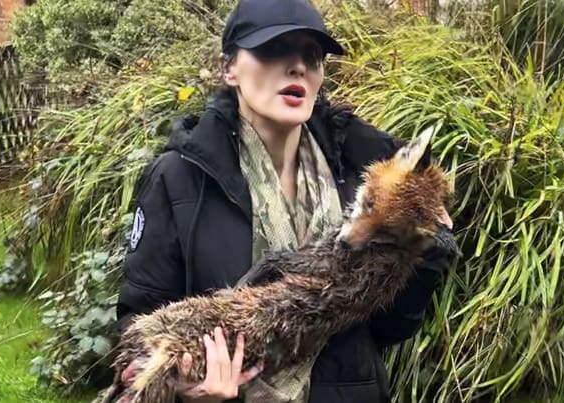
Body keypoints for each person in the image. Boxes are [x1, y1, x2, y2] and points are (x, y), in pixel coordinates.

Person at [114, 0, 456, 402]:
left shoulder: (364, 175)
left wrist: (427, 253)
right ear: (229, 69)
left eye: (312, 55)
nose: (298, 67)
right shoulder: (181, 176)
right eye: (273, 49)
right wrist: (189, 389)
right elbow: (139, 324)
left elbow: (388, 329)